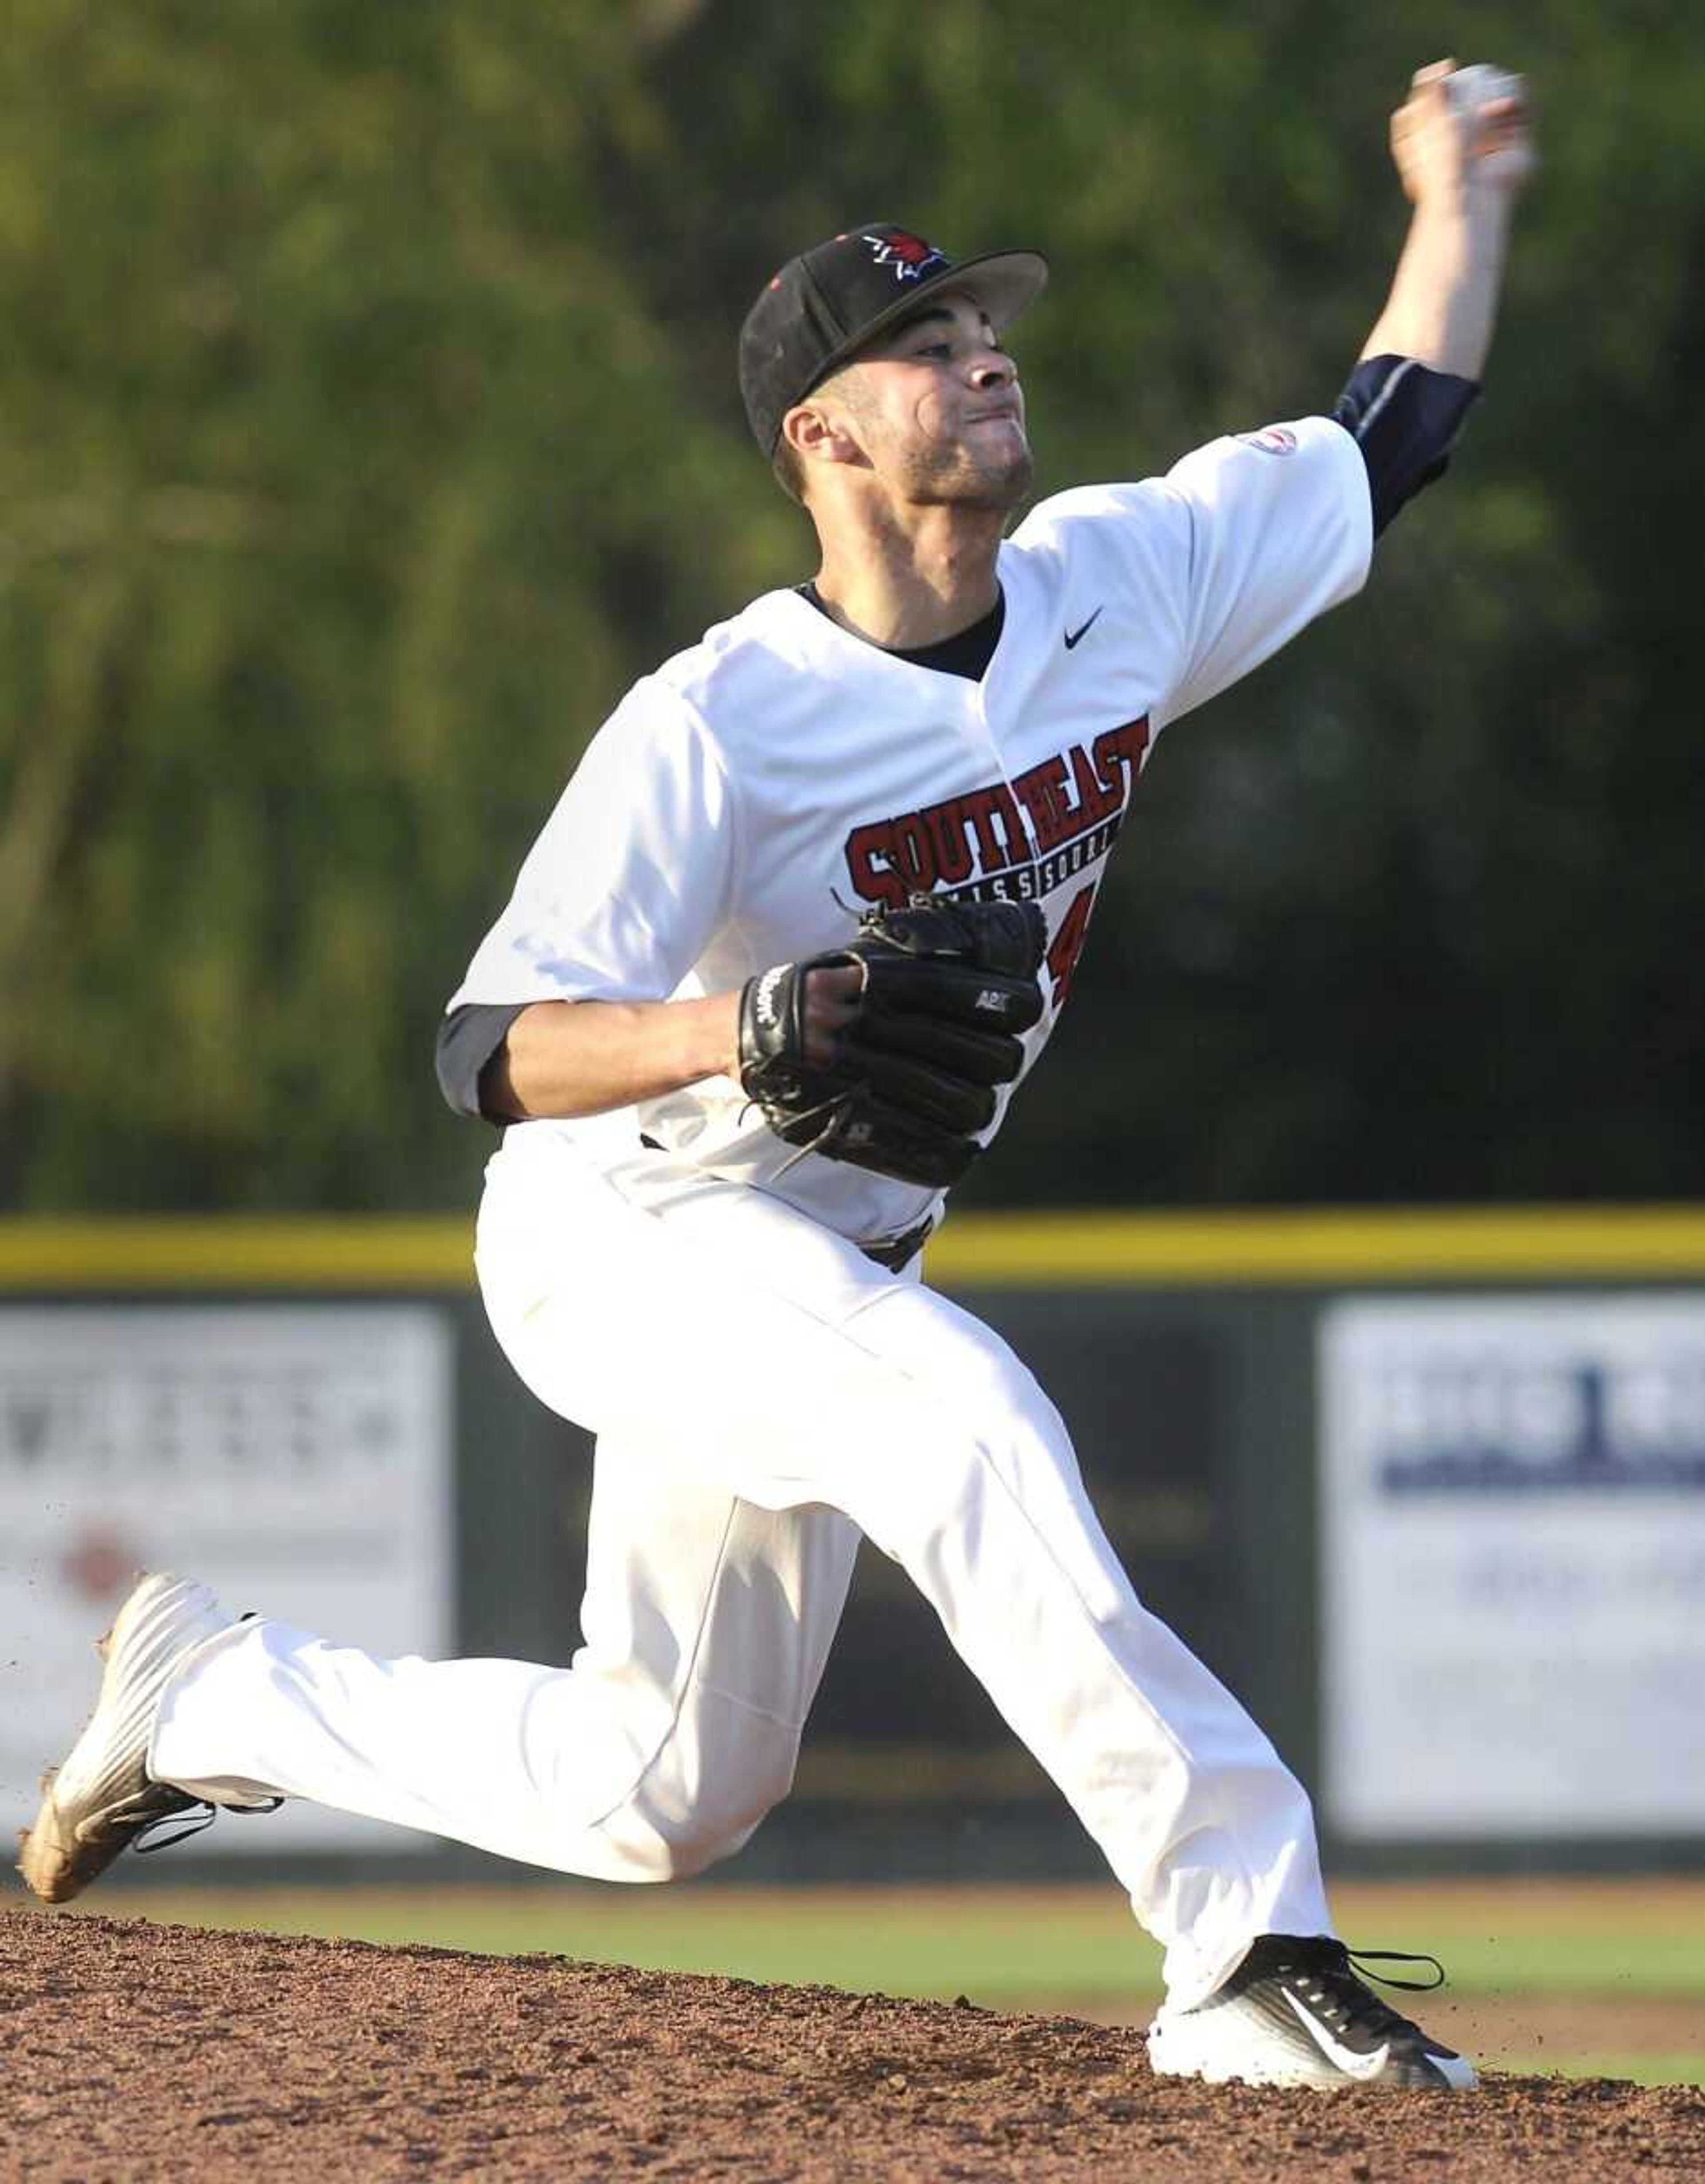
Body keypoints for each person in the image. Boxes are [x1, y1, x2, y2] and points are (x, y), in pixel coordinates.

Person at [21, 62, 1533, 2091]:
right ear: (820, 435)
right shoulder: (723, 721)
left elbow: (1391, 436)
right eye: (926, 342)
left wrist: (1461, 193)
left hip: (834, 1251)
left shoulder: (1121, 582)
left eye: (984, 325)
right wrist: (738, 1029)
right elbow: (489, 1047)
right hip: (634, 1219)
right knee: (967, 1420)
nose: (983, 354)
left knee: (664, 1789)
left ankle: (216, 1702)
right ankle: (1246, 1943)